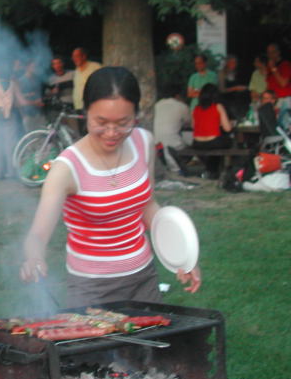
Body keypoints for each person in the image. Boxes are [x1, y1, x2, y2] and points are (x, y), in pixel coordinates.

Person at [19, 67, 201, 308]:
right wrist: (34, 258)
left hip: (143, 278)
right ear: (86, 113)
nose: (112, 133)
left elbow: (147, 205)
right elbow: (37, 234)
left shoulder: (143, 142)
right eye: (101, 122)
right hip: (91, 288)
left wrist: (182, 255)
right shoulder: (66, 168)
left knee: (152, 333)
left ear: (135, 115)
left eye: (123, 123)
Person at [192, 83, 234, 179]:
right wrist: (231, 123)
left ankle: (211, 170)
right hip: (214, 142)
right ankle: (225, 169)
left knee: (216, 145)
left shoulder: (196, 108)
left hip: (197, 143)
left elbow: (193, 126)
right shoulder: (218, 106)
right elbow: (227, 128)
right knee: (228, 142)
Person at [153, 85, 191, 173]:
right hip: (174, 144)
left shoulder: (156, 105)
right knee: (189, 139)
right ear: (178, 95)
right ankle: (181, 167)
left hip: (155, 143)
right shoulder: (181, 106)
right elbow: (189, 123)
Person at [265, 43, 291, 131]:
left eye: (272, 52)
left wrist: (273, 69)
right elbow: (268, 85)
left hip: (285, 100)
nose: (270, 55)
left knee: (285, 127)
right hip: (274, 101)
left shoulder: (285, 65)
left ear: (278, 52)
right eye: (268, 53)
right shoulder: (269, 67)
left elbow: (283, 83)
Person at [15, 60, 46, 132]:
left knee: (43, 135)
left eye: (36, 67)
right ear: (27, 67)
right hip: (28, 114)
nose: (35, 68)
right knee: (32, 136)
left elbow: (40, 94)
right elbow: (18, 100)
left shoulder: (38, 80)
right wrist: (23, 115)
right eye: (33, 67)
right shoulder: (20, 81)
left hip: (39, 113)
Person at [218, 55, 250, 120]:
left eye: (235, 62)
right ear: (227, 63)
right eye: (232, 62)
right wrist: (235, 88)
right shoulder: (222, 73)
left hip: (238, 101)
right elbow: (222, 90)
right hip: (226, 101)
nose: (234, 64)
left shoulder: (238, 72)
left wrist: (243, 88)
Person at [71, 47, 101, 112]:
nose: (74, 59)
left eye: (76, 56)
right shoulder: (76, 70)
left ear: (84, 56)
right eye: (73, 57)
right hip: (78, 106)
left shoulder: (95, 66)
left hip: (92, 105)